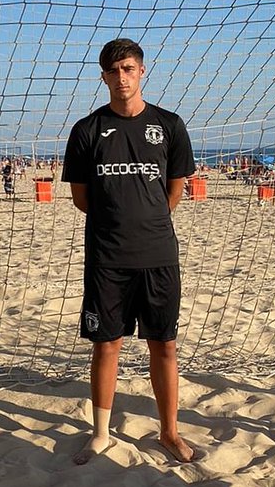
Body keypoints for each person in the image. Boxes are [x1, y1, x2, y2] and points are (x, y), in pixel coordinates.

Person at [63, 37, 196, 464]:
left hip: (159, 255)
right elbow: (81, 197)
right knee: (106, 345)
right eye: (113, 71)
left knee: (165, 345)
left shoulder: (169, 125)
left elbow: (175, 189)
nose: (122, 77)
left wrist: (149, 218)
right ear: (103, 77)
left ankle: (169, 432)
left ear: (142, 72)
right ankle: (100, 433)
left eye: (128, 69)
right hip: (107, 257)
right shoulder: (87, 130)